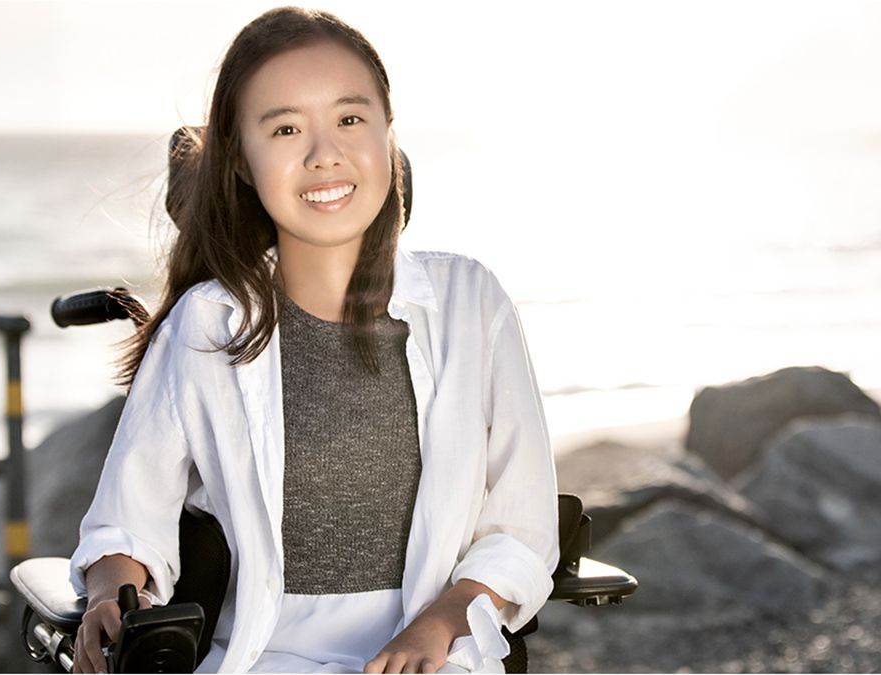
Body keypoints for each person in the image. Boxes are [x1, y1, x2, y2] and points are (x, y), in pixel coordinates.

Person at [68, 7, 559, 674]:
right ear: (243, 161)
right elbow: (128, 524)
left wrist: (439, 626)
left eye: (350, 118)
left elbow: (522, 531)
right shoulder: (207, 325)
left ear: (388, 132)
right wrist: (108, 592)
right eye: (287, 127)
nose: (324, 152)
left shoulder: (472, 303)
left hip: (439, 660)